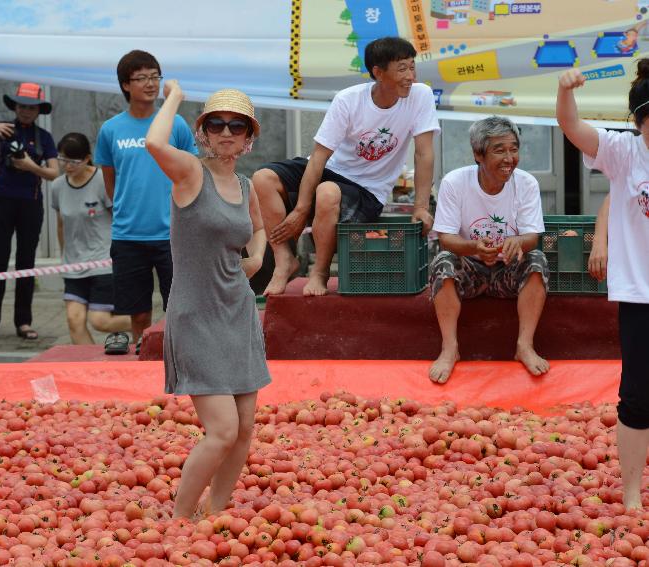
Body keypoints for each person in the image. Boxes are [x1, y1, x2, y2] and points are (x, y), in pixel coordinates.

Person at [146, 82, 270, 518]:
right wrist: (175, 96)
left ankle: (214, 513)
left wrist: (255, 257)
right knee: (221, 430)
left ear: (248, 137)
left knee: (244, 429)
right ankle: (180, 517)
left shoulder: (245, 183)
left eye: (237, 126)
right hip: (195, 315)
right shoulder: (190, 174)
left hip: (238, 312)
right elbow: (153, 142)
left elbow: (257, 227)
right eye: (216, 124)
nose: (226, 132)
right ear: (202, 132)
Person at [253, 36, 439, 297]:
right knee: (262, 179)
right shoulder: (348, 100)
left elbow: (424, 153)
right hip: (332, 172)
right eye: (402, 68)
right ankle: (284, 261)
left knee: (328, 191)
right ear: (378, 72)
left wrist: (420, 207)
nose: (410, 75)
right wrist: (300, 209)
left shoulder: (421, 96)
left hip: (367, 190)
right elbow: (318, 157)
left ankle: (319, 272)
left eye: (412, 67)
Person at [557, 60, 649, 510]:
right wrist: (565, 91)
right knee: (637, 398)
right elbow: (571, 126)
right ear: (640, 122)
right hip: (641, 296)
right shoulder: (624, 153)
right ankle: (632, 496)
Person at [428, 116, 549, 384]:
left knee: (537, 259)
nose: (509, 158)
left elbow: (533, 236)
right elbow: (446, 238)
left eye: (514, 149)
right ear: (478, 154)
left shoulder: (526, 183)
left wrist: (519, 242)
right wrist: (473, 247)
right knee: (443, 261)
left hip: (508, 271)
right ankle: (450, 349)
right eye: (499, 150)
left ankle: (524, 346)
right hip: (470, 271)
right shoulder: (454, 182)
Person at [93, 50, 198, 354]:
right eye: (142, 78)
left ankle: (176, 357)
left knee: (177, 305)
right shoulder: (111, 129)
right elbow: (111, 181)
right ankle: (143, 352)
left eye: (155, 76)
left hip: (172, 232)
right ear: (126, 85)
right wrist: (128, 206)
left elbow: (190, 171)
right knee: (137, 310)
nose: (150, 84)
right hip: (128, 235)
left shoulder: (175, 124)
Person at [0, 83, 59, 342]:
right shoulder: (2, 130)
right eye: (22, 106)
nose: (26, 111)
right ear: (15, 107)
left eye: (31, 107)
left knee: (26, 263)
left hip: (30, 204)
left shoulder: (44, 137)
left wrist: (31, 167)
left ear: (38, 110)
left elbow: (54, 173)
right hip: (0, 202)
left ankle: (24, 321)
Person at [51, 133, 131, 350]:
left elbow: (119, 219)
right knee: (74, 321)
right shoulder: (57, 186)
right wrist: (64, 257)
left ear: (87, 158)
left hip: (103, 262)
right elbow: (61, 225)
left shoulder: (102, 181)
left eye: (73, 161)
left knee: (100, 321)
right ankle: (93, 369)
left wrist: (123, 258)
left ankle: (146, 321)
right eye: (62, 160)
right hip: (74, 265)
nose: (67, 166)